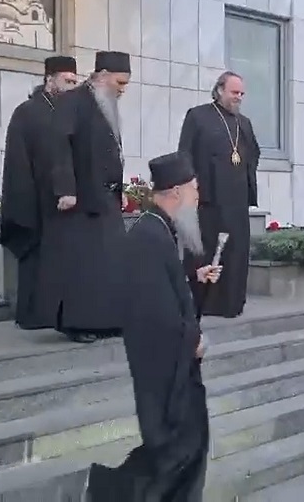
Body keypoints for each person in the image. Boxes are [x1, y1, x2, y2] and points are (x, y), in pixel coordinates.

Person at [86, 152, 219, 501]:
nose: (198, 197)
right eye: (193, 190)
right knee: (174, 454)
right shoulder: (148, 235)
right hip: (163, 370)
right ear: (174, 192)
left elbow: (164, 290)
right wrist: (193, 340)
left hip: (172, 367)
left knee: (183, 450)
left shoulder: (158, 228)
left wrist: (192, 279)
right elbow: (153, 313)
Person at [36, 51, 132, 343]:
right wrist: (66, 189)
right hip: (82, 198)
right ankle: (78, 323)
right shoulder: (72, 101)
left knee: (110, 262)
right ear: (102, 76)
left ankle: (109, 319)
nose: (122, 89)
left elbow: (110, 151)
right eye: (119, 82)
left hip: (106, 198)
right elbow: (59, 147)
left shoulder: (106, 104)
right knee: (82, 266)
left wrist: (121, 188)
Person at [0, 56, 78, 330]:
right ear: (49, 80)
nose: (71, 86)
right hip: (36, 200)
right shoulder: (27, 112)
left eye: (74, 81)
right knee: (37, 261)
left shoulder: (73, 111)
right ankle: (33, 316)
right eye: (67, 80)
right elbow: (17, 162)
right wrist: (24, 199)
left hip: (66, 201)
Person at [177, 71, 260, 319]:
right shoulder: (198, 116)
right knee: (206, 247)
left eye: (242, 94)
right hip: (208, 198)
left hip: (236, 199)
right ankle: (206, 301)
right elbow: (185, 152)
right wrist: (190, 184)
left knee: (236, 251)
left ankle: (232, 302)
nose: (239, 98)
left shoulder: (243, 122)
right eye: (235, 92)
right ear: (220, 90)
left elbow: (253, 153)